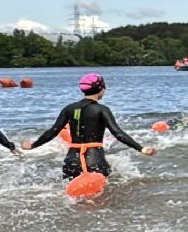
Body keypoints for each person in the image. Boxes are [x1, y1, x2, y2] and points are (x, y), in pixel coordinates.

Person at [25, 73, 155, 177]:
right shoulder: (102, 110)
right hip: (94, 159)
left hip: (72, 160)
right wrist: (142, 149)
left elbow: (52, 132)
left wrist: (33, 145)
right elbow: (118, 133)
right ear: (101, 89)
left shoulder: (69, 108)